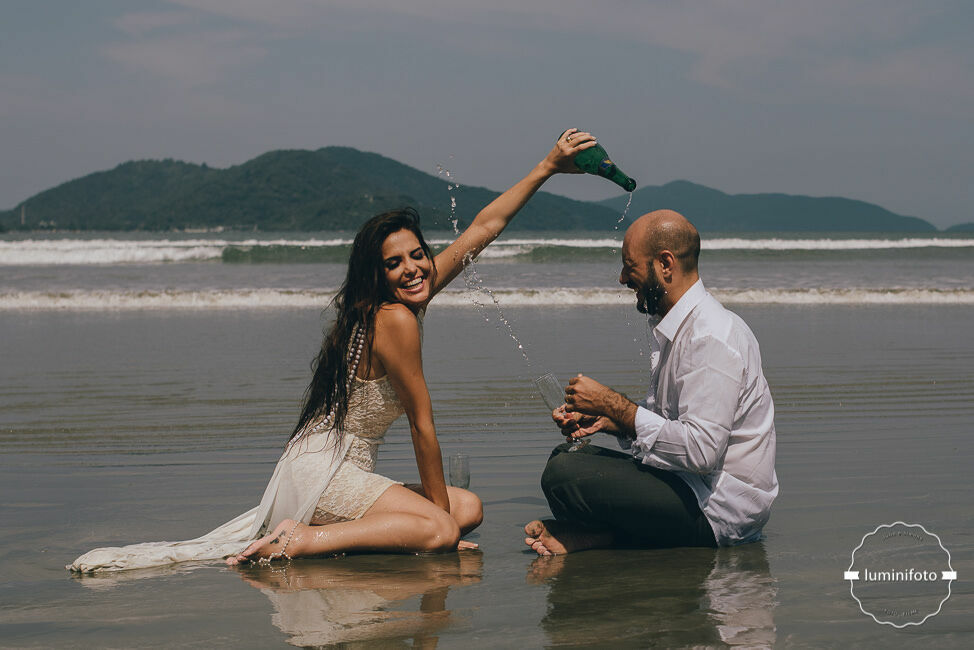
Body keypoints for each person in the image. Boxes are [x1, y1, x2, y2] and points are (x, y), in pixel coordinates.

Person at [68, 128, 597, 572]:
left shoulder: (393, 305)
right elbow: (421, 424)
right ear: (378, 273)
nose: (412, 268)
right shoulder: (395, 321)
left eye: (418, 255)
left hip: (331, 469)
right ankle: (300, 540)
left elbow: (483, 227)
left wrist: (547, 166)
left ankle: (380, 526)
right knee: (444, 523)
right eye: (395, 263)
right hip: (325, 473)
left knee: (468, 507)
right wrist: (438, 528)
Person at [525, 209, 778, 555]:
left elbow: (701, 452)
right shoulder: (679, 327)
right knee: (563, 455)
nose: (621, 279)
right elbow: (669, 426)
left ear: (665, 264)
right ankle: (600, 537)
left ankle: (606, 538)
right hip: (692, 486)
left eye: (630, 266)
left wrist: (614, 404)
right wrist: (609, 422)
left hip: (720, 511)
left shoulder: (712, 336)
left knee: (564, 473)